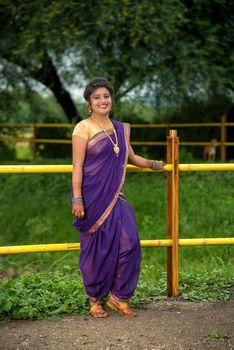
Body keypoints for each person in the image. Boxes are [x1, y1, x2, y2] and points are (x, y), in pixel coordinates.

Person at [72, 77, 165, 318]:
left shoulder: (119, 128)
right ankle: (94, 301)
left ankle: (118, 298)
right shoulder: (83, 128)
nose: (103, 100)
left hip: (115, 197)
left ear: (111, 100)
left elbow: (133, 158)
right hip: (91, 198)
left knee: (130, 244)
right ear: (89, 103)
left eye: (106, 96)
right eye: (97, 97)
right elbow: (77, 167)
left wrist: (158, 165)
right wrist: (77, 198)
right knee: (96, 250)